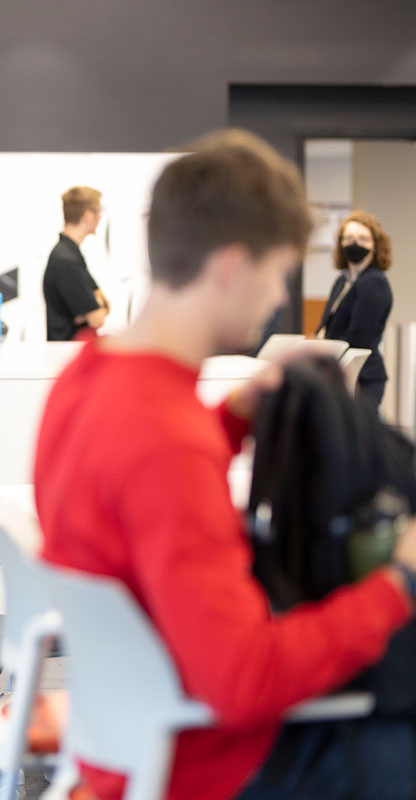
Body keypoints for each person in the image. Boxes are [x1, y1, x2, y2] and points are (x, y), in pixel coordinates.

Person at [35, 130, 416, 800]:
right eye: (276, 276)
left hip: (122, 733)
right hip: (207, 759)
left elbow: (136, 485)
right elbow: (244, 681)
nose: (276, 299)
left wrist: (235, 415)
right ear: (232, 268)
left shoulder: (88, 379)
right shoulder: (170, 445)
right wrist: (399, 582)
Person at [316, 211, 393, 409]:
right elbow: (327, 326)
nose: (355, 244)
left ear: (375, 245)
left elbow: (360, 337)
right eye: (349, 238)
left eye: (363, 238)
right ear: (341, 243)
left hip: (361, 377)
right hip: (340, 374)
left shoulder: (373, 282)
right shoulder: (342, 280)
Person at [43, 186, 109, 341]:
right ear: (88, 215)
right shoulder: (66, 261)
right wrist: (94, 309)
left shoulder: (71, 254)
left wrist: (91, 310)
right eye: (98, 211)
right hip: (67, 350)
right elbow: (97, 319)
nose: (100, 217)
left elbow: (103, 302)